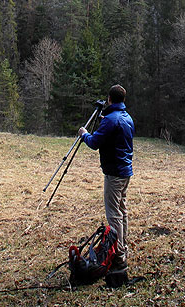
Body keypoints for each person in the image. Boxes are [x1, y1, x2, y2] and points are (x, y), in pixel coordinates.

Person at [79, 84, 134, 271]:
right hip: (125, 172)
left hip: (114, 174)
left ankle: (118, 256)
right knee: (122, 211)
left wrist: (84, 135)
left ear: (110, 98)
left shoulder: (111, 120)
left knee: (114, 215)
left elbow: (94, 143)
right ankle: (122, 247)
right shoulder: (126, 118)